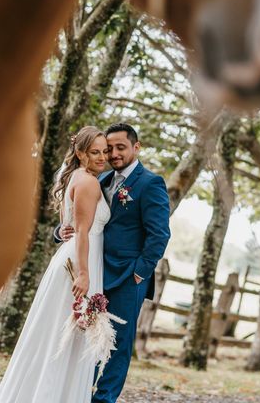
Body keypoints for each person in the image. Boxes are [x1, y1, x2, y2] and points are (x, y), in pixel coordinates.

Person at [0, 126, 110, 403]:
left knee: (58, 337)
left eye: (104, 151)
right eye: (95, 152)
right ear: (80, 153)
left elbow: (66, 226)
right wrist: (83, 274)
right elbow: (82, 231)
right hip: (80, 264)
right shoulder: (89, 183)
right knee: (63, 339)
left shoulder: (75, 177)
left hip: (72, 257)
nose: (102, 157)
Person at [59, 123, 171, 403]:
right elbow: (83, 219)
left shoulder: (150, 183)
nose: (114, 153)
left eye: (121, 147)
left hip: (127, 277)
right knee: (92, 337)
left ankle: (103, 399)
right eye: (110, 148)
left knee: (118, 344)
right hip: (97, 271)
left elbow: (159, 235)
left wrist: (139, 273)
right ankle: (80, 395)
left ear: (136, 147)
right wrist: (60, 231)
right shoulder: (103, 179)